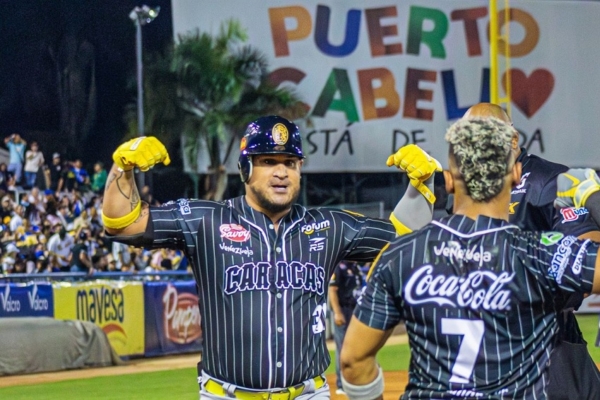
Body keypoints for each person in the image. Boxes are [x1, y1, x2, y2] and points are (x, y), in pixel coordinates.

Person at [101, 115, 440, 399]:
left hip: (308, 393)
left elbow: (405, 241)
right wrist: (122, 168)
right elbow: (123, 223)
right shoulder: (206, 220)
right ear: (246, 168)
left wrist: (421, 186)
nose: (281, 172)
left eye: (289, 162)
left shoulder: (328, 226)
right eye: (268, 162)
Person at [340, 117, 600, 399]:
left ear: (449, 181)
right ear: (515, 175)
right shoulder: (539, 253)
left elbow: (353, 361)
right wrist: (591, 196)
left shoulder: (402, 254)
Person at [460, 103, 600, 399]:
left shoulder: (548, 179)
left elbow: (590, 252)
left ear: (512, 140)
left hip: (549, 345)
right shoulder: (466, 193)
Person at [328, 261, 364, 395]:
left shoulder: (354, 266)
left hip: (354, 309)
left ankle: (354, 381)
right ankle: (341, 384)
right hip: (343, 310)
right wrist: (337, 312)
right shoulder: (338, 266)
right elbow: (332, 290)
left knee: (356, 347)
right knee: (342, 347)